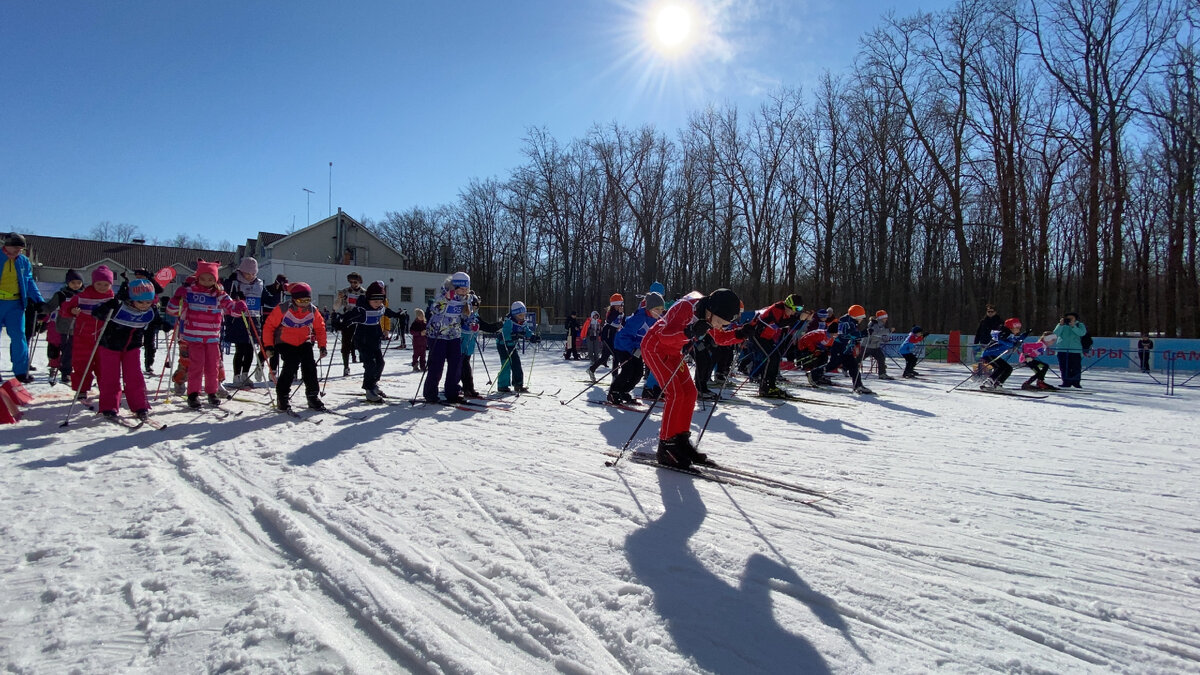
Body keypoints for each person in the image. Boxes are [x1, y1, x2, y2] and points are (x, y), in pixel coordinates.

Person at [641, 288, 744, 469]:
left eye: (725, 324)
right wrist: (689, 332)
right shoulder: (685, 307)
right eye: (720, 322)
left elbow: (720, 338)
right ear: (711, 311)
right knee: (675, 394)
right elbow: (664, 336)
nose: (720, 326)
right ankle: (666, 446)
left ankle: (681, 441)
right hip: (655, 347)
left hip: (673, 352)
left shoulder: (709, 314)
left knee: (690, 392)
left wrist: (741, 334)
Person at [166, 260, 248, 408]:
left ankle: (212, 392)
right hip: (193, 336)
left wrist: (239, 306)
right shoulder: (189, 292)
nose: (206, 282)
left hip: (211, 337)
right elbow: (172, 311)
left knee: (213, 366)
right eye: (203, 278)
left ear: (215, 279)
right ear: (197, 277)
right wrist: (177, 298)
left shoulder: (220, 294)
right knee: (196, 366)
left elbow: (232, 310)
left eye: (210, 279)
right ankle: (193, 394)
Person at [91, 279, 158, 420]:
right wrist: (111, 304)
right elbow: (97, 313)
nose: (144, 306)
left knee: (134, 377)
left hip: (132, 348)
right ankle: (109, 406)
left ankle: (140, 405)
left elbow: (154, 322)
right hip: (110, 346)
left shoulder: (150, 310)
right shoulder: (118, 307)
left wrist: (164, 324)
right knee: (111, 377)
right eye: (140, 302)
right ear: (131, 299)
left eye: (148, 302)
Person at [261, 282, 328, 411]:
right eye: (300, 300)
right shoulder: (283, 308)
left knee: (310, 366)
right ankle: (283, 397)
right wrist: (268, 345)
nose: (304, 303)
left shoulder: (312, 310)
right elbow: (269, 326)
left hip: (304, 341)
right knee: (291, 365)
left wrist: (322, 346)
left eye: (307, 300)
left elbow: (320, 328)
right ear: (293, 299)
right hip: (284, 341)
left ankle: (312, 396)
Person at [341, 281, 404, 402]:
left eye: (380, 301)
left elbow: (387, 312)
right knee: (370, 365)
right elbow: (349, 317)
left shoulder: (380, 307)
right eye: (375, 301)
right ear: (368, 299)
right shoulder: (362, 310)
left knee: (380, 363)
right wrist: (340, 321)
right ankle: (369, 389)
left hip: (375, 339)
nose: (378, 304)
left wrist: (398, 315)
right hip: (363, 341)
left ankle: (373, 384)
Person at [61, 265, 116, 398]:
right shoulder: (82, 296)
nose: (102, 287)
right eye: (99, 284)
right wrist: (71, 311)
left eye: (106, 284)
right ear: (93, 282)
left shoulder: (112, 298)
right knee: (82, 364)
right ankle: (81, 389)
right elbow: (65, 309)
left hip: (104, 338)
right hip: (83, 337)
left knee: (104, 366)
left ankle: (106, 389)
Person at [0, 233, 46, 383]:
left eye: (20, 249)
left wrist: (38, 300)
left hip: (16, 304)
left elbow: (29, 281)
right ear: (6, 245)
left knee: (20, 336)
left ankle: (21, 371)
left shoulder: (23, 261)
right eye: (14, 248)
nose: (16, 252)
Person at [422, 272, 472, 403]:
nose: (463, 291)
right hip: (438, 334)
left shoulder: (466, 299)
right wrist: (446, 299)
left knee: (456, 364)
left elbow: (466, 316)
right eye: (461, 288)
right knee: (437, 365)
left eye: (466, 289)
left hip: (454, 334)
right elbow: (435, 309)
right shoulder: (443, 295)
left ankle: (452, 392)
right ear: (453, 287)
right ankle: (430, 392)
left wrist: (471, 324)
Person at [607, 291, 665, 405]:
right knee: (628, 370)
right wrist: (633, 349)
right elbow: (624, 336)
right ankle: (613, 392)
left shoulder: (657, 319)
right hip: (622, 346)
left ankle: (624, 391)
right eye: (657, 309)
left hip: (637, 349)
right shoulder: (639, 318)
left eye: (661, 309)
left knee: (638, 373)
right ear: (650, 308)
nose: (660, 312)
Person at [746, 293, 805, 398]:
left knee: (776, 357)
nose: (794, 312)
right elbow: (778, 324)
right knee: (770, 358)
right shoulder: (776, 308)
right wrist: (799, 318)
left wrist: (804, 318)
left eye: (798, 310)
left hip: (767, 337)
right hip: (757, 334)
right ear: (789, 306)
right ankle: (765, 387)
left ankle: (771, 385)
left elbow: (793, 323)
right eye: (794, 309)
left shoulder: (788, 313)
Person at [221, 258, 264, 387]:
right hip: (238, 320)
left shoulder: (259, 283)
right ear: (242, 271)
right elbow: (224, 298)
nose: (250, 276)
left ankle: (245, 374)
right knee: (240, 349)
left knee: (250, 348)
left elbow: (265, 297)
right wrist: (236, 297)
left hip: (253, 319)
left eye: (253, 274)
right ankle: (237, 376)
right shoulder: (234, 282)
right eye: (248, 273)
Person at [43, 269, 84, 385]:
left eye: (78, 283)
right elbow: (50, 306)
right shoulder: (61, 294)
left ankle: (66, 372)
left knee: (69, 351)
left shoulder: (84, 295)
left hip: (76, 328)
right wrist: (41, 309)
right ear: (67, 283)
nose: (76, 285)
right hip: (61, 326)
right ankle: (54, 365)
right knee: (55, 347)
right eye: (73, 283)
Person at [496, 300, 540, 393]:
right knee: (506, 364)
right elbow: (506, 334)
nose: (522, 317)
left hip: (512, 345)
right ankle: (502, 385)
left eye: (524, 315)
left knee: (516, 363)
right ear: (514, 314)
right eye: (520, 315)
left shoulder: (523, 322)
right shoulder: (509, 322)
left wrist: (532, 337)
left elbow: (526, 331)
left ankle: (518, 384)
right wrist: (514, 336)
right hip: (503, 344)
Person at [979, 317, 1026, 390]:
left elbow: (1017, 340)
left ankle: (998, 384)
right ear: (1011, 327)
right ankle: (987, 383)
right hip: (989, 354)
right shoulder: (1004, 333)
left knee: (1008, 368)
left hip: (994, 355)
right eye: (1017, 327)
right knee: (1000, 367)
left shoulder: (1010, 335)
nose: (1019, 330)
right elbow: (1001, 340)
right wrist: (1013, 344)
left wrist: (1025, 334)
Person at [334, 272, 366, 376]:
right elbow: (335, 307)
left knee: (362, 342)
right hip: (348, 317)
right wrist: (339, 298)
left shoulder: (364, 293)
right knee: (346, 342)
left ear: (359, 282)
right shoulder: (345, 292)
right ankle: (346, 366)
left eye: (355, 282)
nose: (353, 284)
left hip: (361, 318)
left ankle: (366, 363)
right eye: (351, 282)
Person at [587, 294, 624, 378]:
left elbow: (623, 322)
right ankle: (615, 375)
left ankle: (591, 369)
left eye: (621, 304)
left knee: (605, 357)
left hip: (615, 336)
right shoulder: (611, 312)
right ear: (614, 305)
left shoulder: (621, 312)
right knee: (616, 355)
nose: (620, 306)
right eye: (618, 304)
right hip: (607, 336)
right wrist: (618, 312)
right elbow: (609, 319)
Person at [1053, 312, 1087, 388]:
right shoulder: (1061, 325)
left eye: (1071, 318)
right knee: (1064, 367)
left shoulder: (1080, 325)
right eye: (1068, 318)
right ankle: (1066, 381)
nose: (1069, 320)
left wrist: (1073, 326)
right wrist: (1061, 325)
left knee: (1076, 367)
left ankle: (1076, 382)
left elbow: (1082, 333)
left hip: (1075, 350)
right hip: (1062, 349)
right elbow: (1055, 334)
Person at [862, 310, 893, 379]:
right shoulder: (874, 324)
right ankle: (845, 368)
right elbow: (875, 333)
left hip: (875, 346)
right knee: (859, 359)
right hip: (867, 345)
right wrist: (888, 330)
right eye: (885, 318)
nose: (886, 319)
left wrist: (885, 339)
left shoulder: (881, 325)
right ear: (881, 318)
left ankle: (882, 374)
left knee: (881, 358)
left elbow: (880, 335)